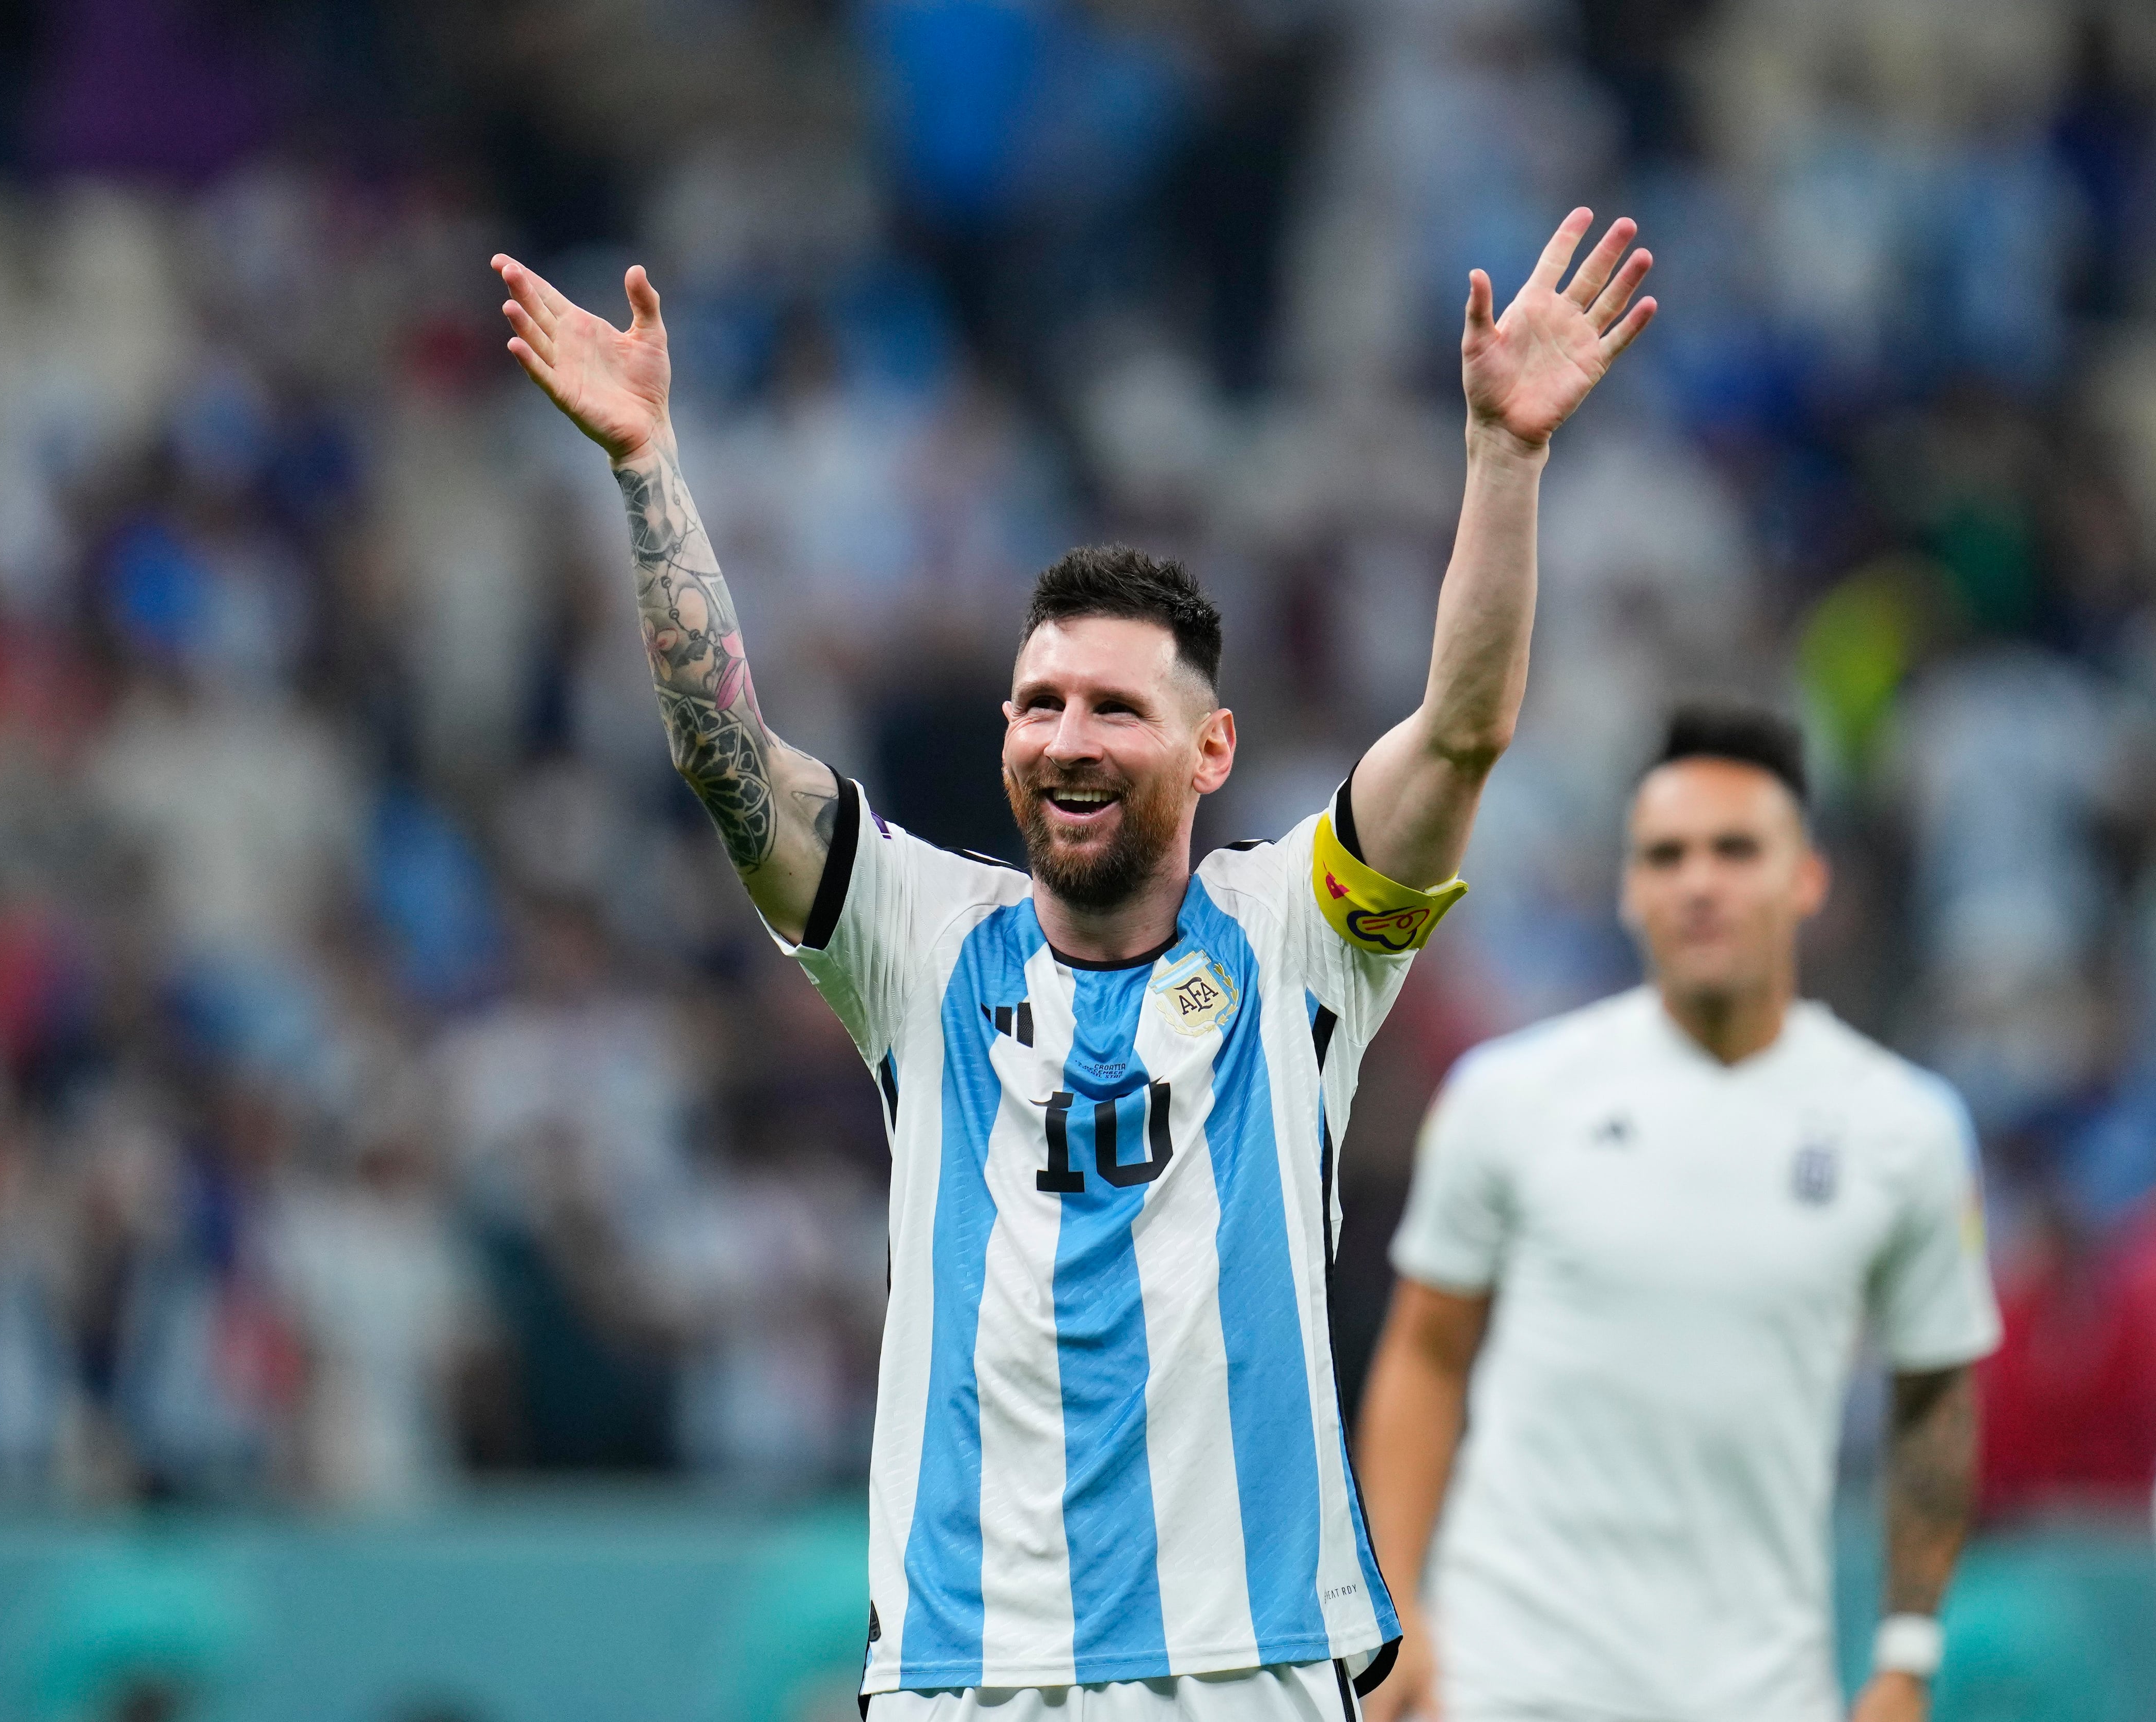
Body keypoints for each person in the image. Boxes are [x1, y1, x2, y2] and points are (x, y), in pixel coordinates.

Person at [492, 206, 1657, 1719]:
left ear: (1210, 746)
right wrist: (649, 471)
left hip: (1247, 1666)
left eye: (1115, 706)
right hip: (968, 1675)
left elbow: (1459, 732)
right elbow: (730, 759)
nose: (1068, 738)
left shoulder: (1300, 933)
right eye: (1039, 703)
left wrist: (1507, 462)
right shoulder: (919, 939)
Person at [1356, 707, 2002, 1722]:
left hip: (1758, 1688)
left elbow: (1934, 1394)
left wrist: (1905, 1655)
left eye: (1736, 850)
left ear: (1806, 879)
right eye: (1666, 854)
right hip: (1509, 1675)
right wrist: (1392, 1609)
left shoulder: (1906, 1128)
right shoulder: (1508, 1096)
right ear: (1629, 888)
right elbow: (1426, 1352)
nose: (1699, 881)